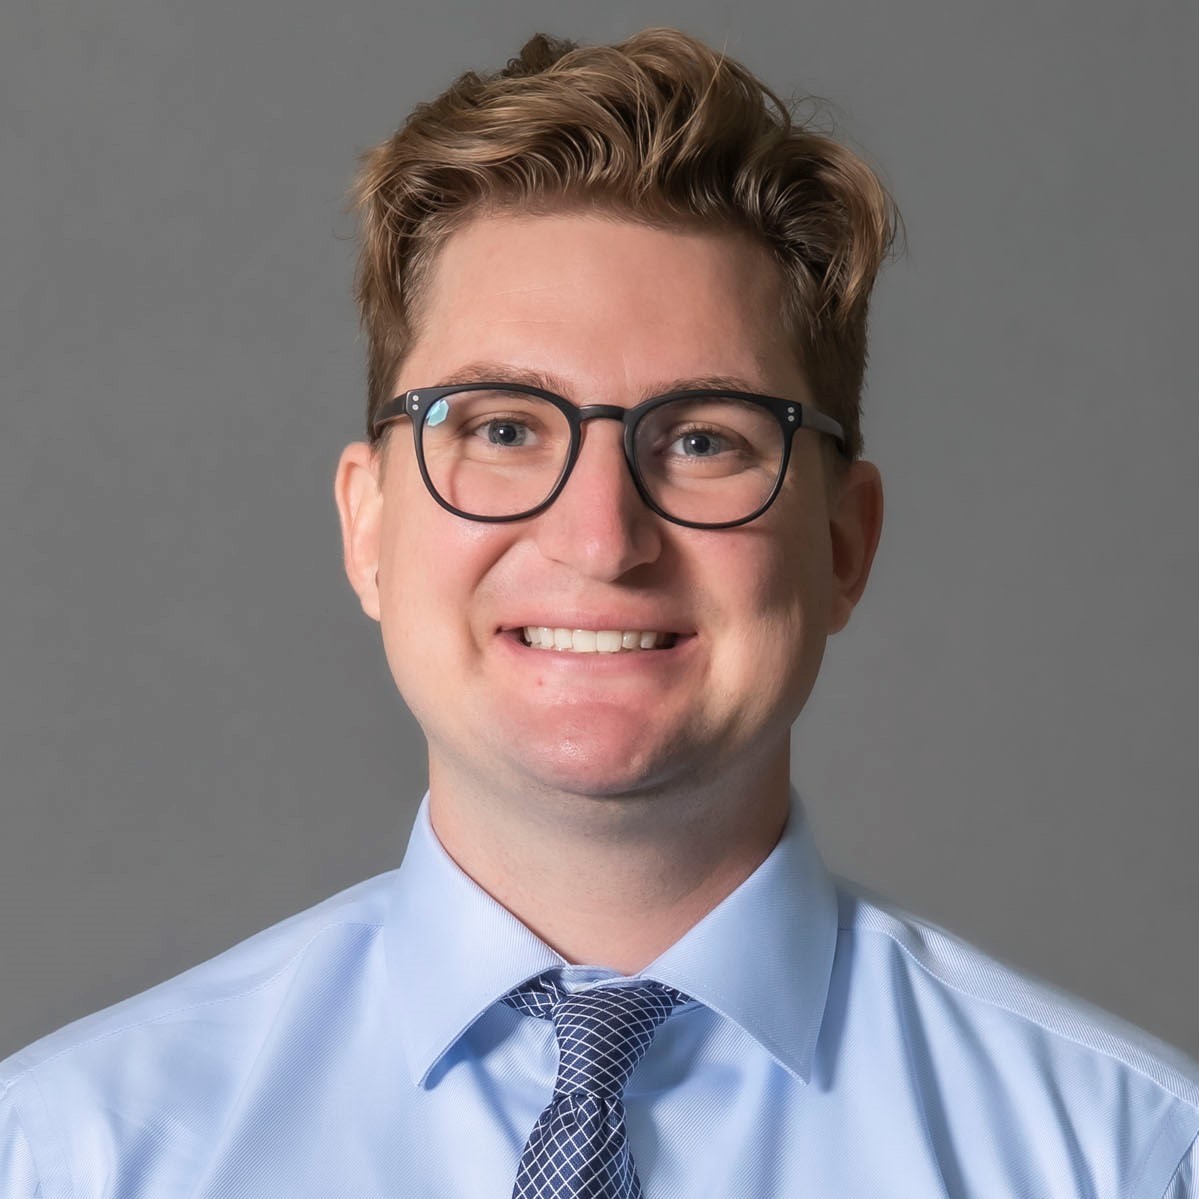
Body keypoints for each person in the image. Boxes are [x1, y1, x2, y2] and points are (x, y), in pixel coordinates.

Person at [1, 26, 1196, 1199]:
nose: (601, 538)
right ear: (367, 528)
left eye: (701, 440)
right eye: (504, 428)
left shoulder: (1125, 1157)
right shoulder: (73, 1155)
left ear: (842, 543)